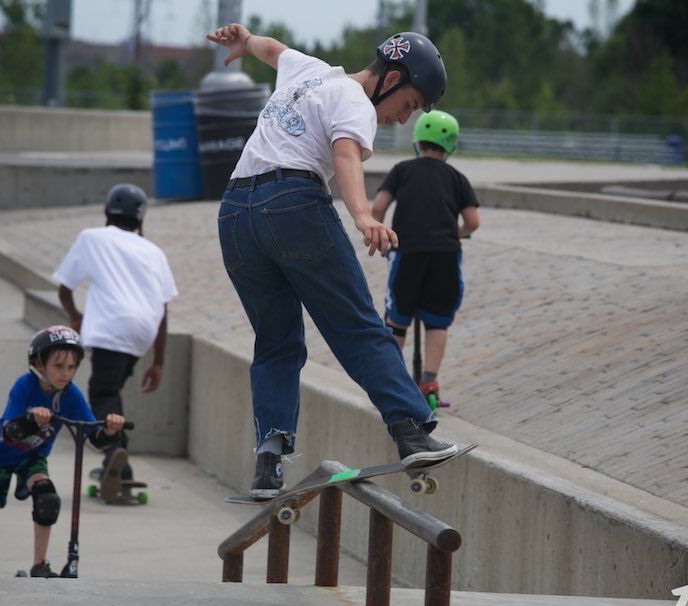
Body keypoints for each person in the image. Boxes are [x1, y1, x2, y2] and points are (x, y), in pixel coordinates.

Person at [206, 23, 459, 500]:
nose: (402, 120)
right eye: (407, 105)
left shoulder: (312, 72)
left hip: (235, 216)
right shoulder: (356, 100)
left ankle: (269, 459)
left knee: (276, 340)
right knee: (358, 325)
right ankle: (412, 431)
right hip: (292, 207)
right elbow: (345, 157)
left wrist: (245, 43)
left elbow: (272, 50)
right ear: (391, 78)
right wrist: (363, 216)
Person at [0, 326, 127, 577]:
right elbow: (10, 431)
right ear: (39, 363)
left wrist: (110, 429)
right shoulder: (23, 386)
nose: (65, 374)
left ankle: (39, 566)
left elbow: (93, 436)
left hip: (31, 459)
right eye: (58, 366)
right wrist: (32, 418)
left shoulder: (71, 395)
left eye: (71, 367)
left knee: (47, 499)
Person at [53, 184, 177, 484]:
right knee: (112, 391)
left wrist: (75, 315)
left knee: (102, 394)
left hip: (111, 327)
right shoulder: (154, 251)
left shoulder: (91, 238)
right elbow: (164, 311)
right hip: (143, 331)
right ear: (140, 219)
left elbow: (65, 287)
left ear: (108, 212)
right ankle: (119, 458)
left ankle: (115, 458)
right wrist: (158, 361)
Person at [371, 110, 480, 403]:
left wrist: (381, 233)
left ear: (417, 142)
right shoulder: (457, 178)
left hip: (407, 252)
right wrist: (454, 234)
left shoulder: (402, 170)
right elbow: (473, 222)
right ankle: (429, 382)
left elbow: (378, 207)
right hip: (445, 255)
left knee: (397, 320)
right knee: (437, 320)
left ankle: (394, 383)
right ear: (451, 147)